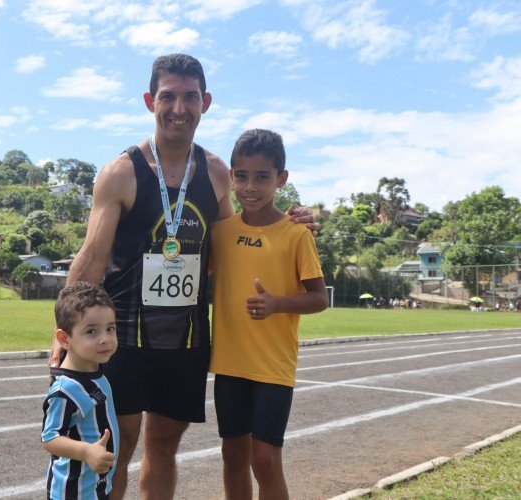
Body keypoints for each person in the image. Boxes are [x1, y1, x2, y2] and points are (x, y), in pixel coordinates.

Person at [49, 53, 319, 499]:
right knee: (117, 441)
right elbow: (91, 259)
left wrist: (297, 219)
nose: (179, 109)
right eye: (168, 97)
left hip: (187, 339)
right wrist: (60, 336)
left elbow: (234, 240)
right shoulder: (121, 172)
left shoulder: (216, 173)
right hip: (126, 336)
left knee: (162, 445)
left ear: (205, 102)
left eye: (190, 97)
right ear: (150, 100)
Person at [209, 129, 328, 499]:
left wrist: (278, 303)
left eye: (262, 177)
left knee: (265, 459)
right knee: (233, 455)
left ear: (281, 179)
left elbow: (320, 298)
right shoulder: (220, 232)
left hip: (273, 365)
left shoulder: (296, 233)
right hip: (229, 363)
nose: (250, 186)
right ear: (231, 176)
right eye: (241, 176)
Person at [42, 282, 121, 500]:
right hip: (71, 493)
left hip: (95, 487)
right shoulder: (65, 389)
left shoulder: (99, 376)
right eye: (91, 331)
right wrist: (86, 452)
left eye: (110, 328)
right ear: (64, 339)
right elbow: (50, 438)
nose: (105, 338)